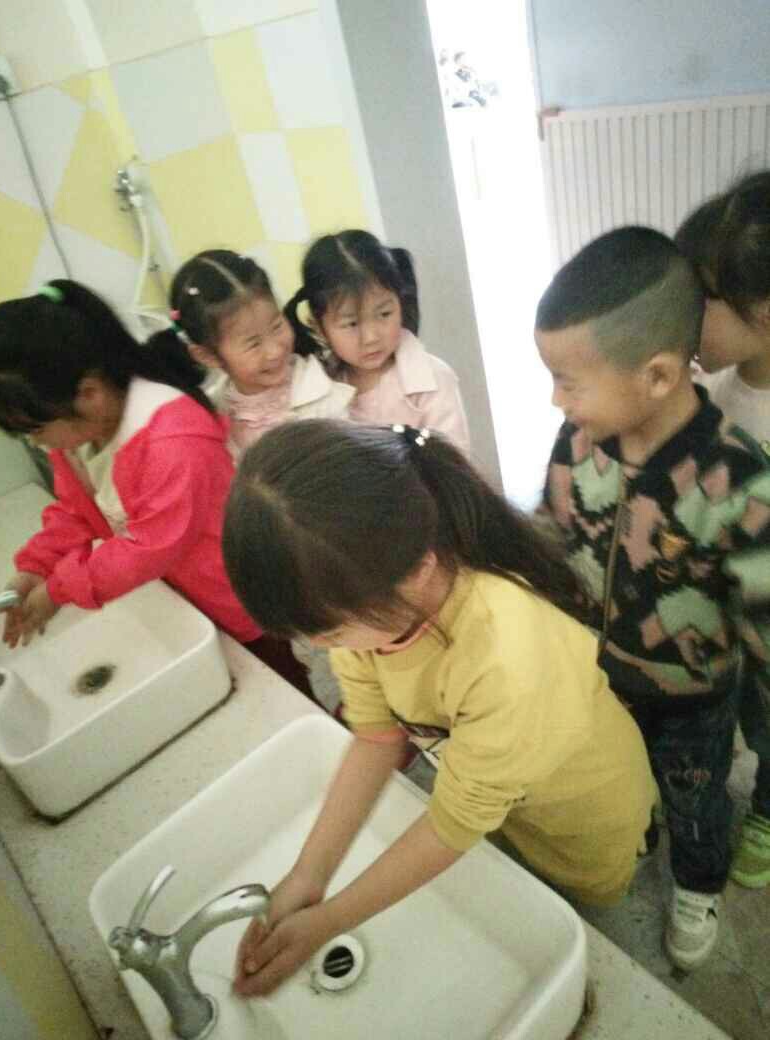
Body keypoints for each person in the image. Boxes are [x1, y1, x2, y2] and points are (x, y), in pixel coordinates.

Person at [221, 419, 656, 997]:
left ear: (417, 570)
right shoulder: (367, 602)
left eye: (326, 633)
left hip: (588, 809)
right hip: (510, 799)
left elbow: (455, 823)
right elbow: (376, 736)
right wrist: (308, 875)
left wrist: (328, 921)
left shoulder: (505, 654)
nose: (319, 647)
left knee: (583, 910)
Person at [535, 226, 770, 971]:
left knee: (695, 802)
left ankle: (697, 885)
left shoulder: (739, 480)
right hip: (599, 675)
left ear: (659, 375)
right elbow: (554, 526)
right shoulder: (576, 441)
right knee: (620, 773)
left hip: (691, 699)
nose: (556, 399)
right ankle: (636, 825)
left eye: (570, 381)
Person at [0, 280, 309, 693]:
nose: (36, 443)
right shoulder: (78, 437)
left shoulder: (174, 442)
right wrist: (35, 566)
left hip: (237, 597)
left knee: (278, 686)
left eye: (35, 430)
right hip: (183, 596)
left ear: (89, 394)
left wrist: (59, 589)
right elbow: (74, 511)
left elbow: (148, 546)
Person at [676, 172, 770, 890]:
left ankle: (767, 811)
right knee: (740, 709)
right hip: (726, 610)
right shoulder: (714, 389)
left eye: (696, 298)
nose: (680, 316)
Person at [284, 230, 470, 456]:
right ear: (318, 327)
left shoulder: (434, 379)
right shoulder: (315, 389)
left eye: (384, 314)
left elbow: (454, 462)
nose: (371, 337)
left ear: (400, 303)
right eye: (351, 323)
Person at [166, 249, 353, 459]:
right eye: (253, 344)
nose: (275, 351)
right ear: (208, 356)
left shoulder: (325, 396)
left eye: (276, 326)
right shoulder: (212, 415)